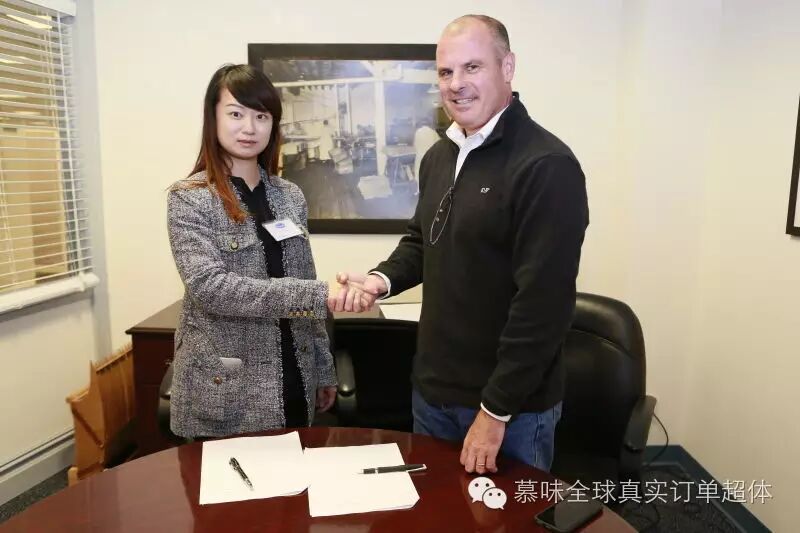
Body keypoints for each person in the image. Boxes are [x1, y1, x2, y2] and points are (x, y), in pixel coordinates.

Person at [331, 15, 589, 475]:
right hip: (433, 393)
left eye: (472, 67)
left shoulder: (546, 165)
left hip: (508, 411)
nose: (456, 84)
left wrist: (495, 412)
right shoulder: (439, 156)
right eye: (446, 72)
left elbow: (543, 307)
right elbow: (422, 239)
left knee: (504, 514)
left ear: (507, 67)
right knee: (435, 509)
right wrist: (379, 280)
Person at [167, 64, 342, 438]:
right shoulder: (190, 198)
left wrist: (323, 368)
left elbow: (305, 280)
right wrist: (318, 295)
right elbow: (211, 288)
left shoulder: (290, 196)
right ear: (213, 118)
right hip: (228, 392)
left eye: (261, 117)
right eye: (236, 114)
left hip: (295, 376)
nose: (249, 128)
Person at [412, 117, 441, 194]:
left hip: (420, 157)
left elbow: (415, 145)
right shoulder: (433, 132)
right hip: (431, 157)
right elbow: (439, 144)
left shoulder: (417, 132)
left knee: (419, 174)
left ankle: (419, 191)